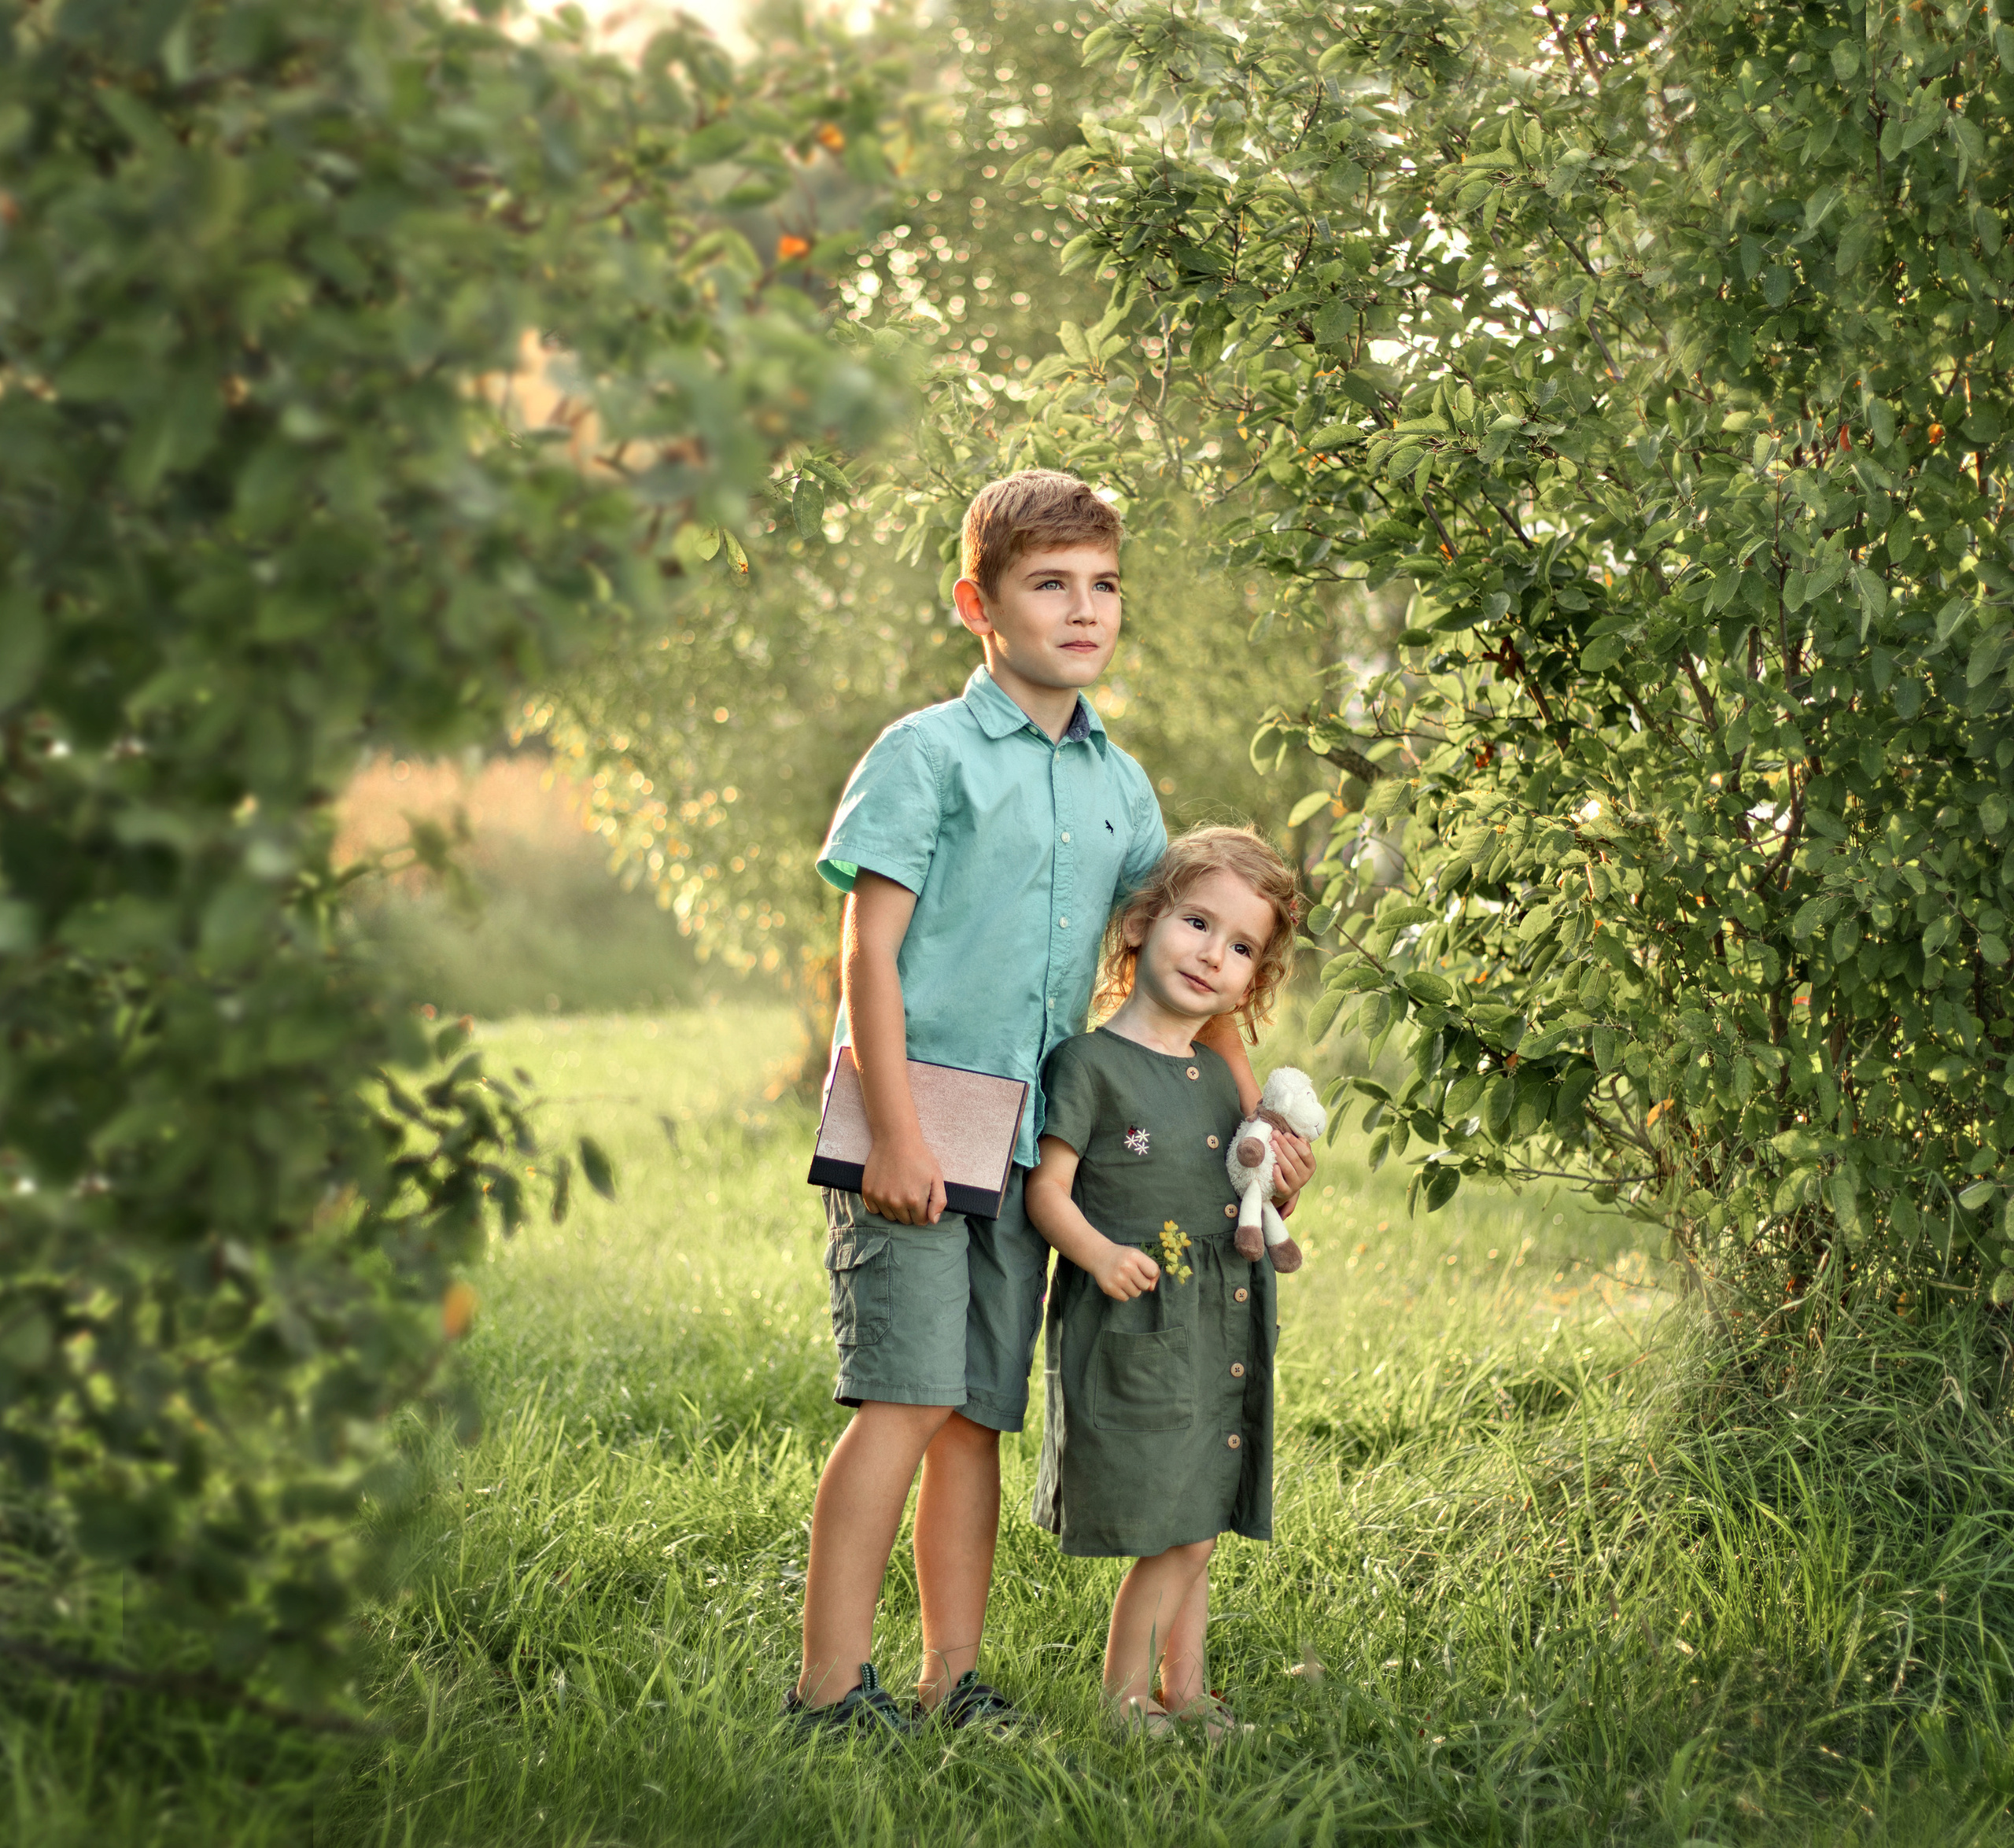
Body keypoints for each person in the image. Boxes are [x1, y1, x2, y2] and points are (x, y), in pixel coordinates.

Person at [786, 472, 1315, 1736]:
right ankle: (826, 1691)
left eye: (1104, 585)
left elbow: (1186, 978)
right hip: (909, 1131)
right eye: (1049, 584)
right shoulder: (927, 756)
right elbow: (867, 956)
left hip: (1025, 1141)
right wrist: (897, 1133)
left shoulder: (1122, 790)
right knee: (902, 1401)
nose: (1084, 610)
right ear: (980, 602)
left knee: (973, 1415)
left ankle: (947, 1679)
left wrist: (1258, 1127)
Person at [1024, 826, 1300, 1738]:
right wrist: (1098, 1254)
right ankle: (1124, 1700)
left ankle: (1187, 1690)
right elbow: (1046, 1193)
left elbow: (1249, 1185)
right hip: (1140, 1321)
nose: (1211, 954)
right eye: (1195, 922)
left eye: (1239, 947)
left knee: (1200, 1520)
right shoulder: (1090, 1066)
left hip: (1220, 1322)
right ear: (1142, 922)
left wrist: (1284, 1184)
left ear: (1251, 980)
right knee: (1171, 1528)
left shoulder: (1222, 1080)